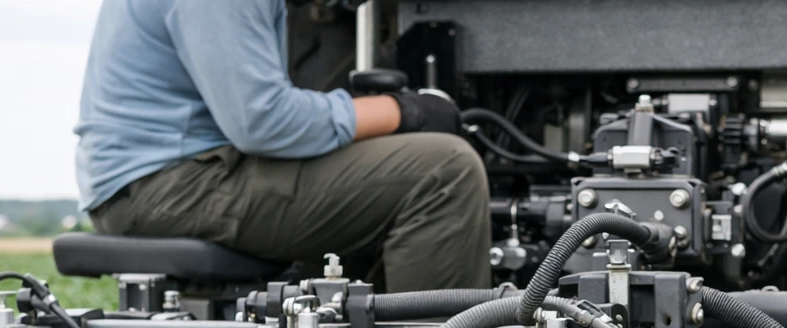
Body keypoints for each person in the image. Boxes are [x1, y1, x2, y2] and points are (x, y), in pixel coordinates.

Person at [74, 0, 492, 291]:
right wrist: (405, 112)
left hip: (158, 181)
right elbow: (263, 120)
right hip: (171, 186)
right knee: (445, 172)